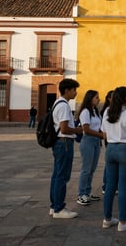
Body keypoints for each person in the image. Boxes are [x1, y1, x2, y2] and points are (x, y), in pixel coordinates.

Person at [101, 86, 126, 231]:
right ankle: (123, 222)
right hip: (125, 149)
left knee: (110, 185)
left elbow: (104, 135)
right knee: (123, 186)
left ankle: (107, 218)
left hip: (110, 149)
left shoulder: (106, 112)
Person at [49, 78, 82, 219]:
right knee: (62, 176)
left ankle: (54, 206)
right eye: (74, 90)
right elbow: (64, 128)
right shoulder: (63, 106)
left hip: (59, 143)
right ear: (67, 90)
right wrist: (78, 130)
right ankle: (59, 208)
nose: (76, 92)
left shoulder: (57, 103)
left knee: (57, 175)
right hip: (64, 143)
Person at [76, 90, 104, 206]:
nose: (98, 99)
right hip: (88, 140)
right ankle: (81, 193)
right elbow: (86, 129)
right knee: (86, 168)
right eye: (96, 97)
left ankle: (87, 192)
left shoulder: (95, 111)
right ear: (90, 98)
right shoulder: (85, 112)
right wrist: (101, 135)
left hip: (96, 141)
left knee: (92, 169)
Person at [100, 90, 113, 194]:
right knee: (109, 164)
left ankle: (114, 185)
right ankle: (106, 185)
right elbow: (104, 130)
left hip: (112, 140)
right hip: (110, 141)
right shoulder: (107, 111)